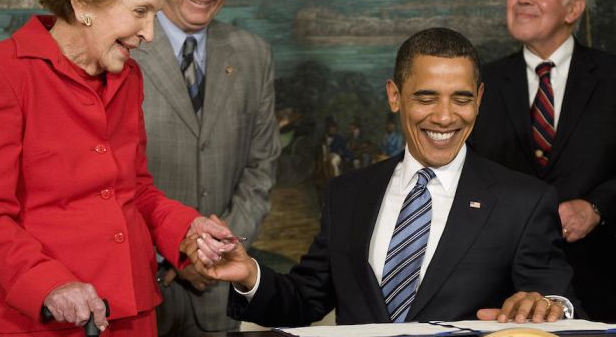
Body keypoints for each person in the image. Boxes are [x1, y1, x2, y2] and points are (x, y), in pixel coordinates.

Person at [0, 0, 234, 336]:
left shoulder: (128, 77)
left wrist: (187, 227)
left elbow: (135, 191)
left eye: (154, 15)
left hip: (133, 310)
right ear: (83, 0)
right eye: (140, 11)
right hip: (43, 318)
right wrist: (49, 284)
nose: (148, 34)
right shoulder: (2, 73)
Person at [188, 27, 577, 326]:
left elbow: (554, 296)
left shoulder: (524, 201)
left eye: (461, 98)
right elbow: (306, 298)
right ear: (394, 95)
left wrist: (550, 306)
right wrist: (248, 274)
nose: (444, 116)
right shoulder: (347, 194)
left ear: (479, 98)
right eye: (426, 98)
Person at [131, 0, 280, 336]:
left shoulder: (254, 54)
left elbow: (261, 167)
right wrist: (176, 255)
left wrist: (213, 255)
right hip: (139, 286)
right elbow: (110, 177)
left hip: (218, 293)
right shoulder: (123, 49)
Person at [469, 0, 616, 322]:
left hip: (601, 285)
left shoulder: (613, 77)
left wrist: (597, 207)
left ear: (573, 9)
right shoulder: (477, 84)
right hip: (495, 294)